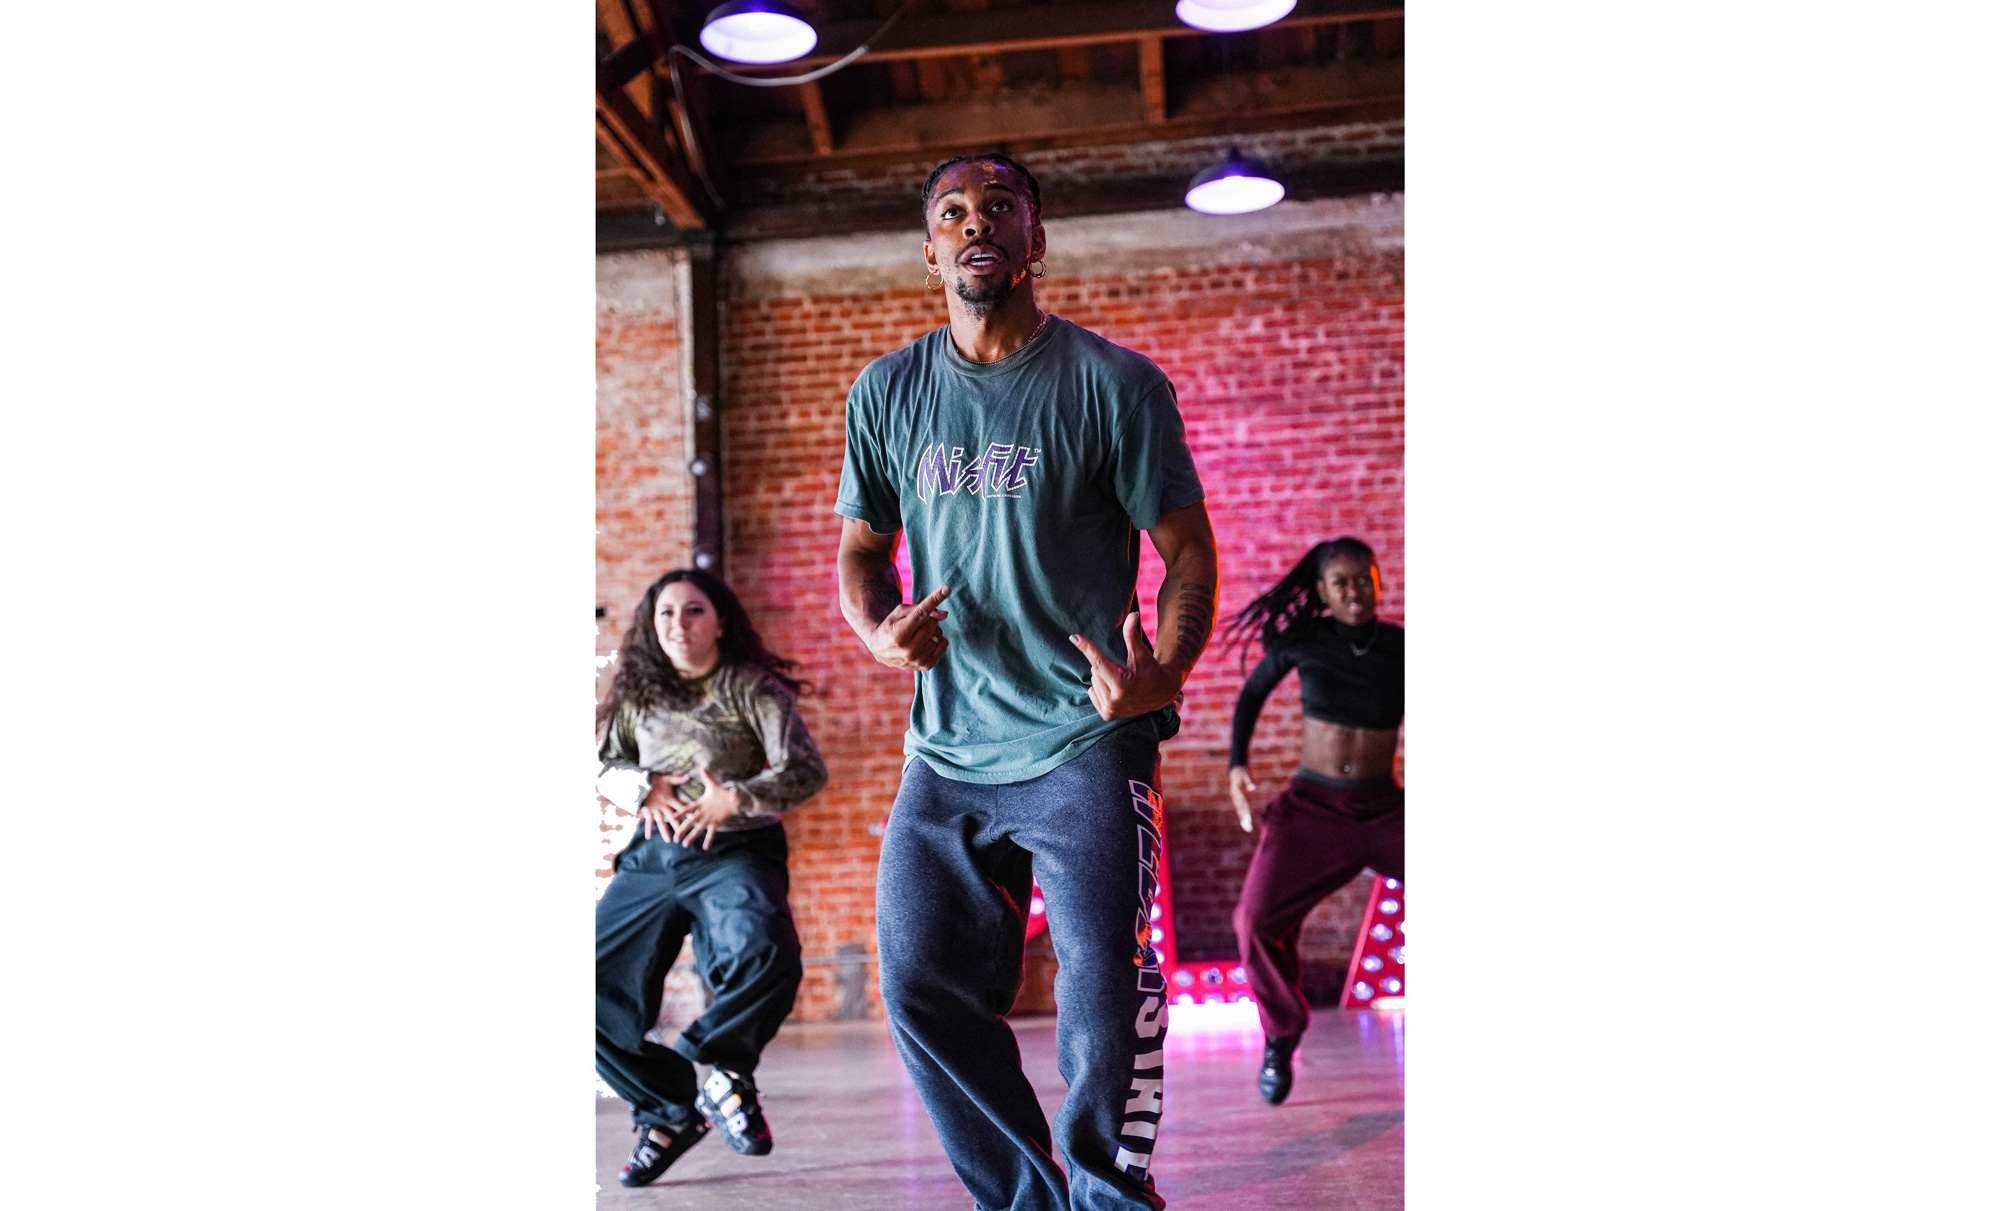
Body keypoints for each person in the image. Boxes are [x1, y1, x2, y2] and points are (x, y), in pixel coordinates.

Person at [835, 152, 1219, 1211]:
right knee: (917, 983)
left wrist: (1162, 677)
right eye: (951, 212)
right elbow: (862, 554)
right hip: (946, 746)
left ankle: (1105, 1190)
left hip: (1084, 736)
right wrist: (875, 634)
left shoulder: (1112, 385)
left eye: (998, 208)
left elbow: (1187, 552)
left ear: (1034, 238)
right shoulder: (888, 390)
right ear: (928, 250)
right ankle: (1024, 1197)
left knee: (1103, 980)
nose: (975, 224)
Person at [593, 568, 828, 1187]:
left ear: (719, 620)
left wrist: (737, 799)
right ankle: (668, 1112)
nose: (678, 624)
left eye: (693, 611)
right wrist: (647, 786)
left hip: (736, 853)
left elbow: (805, 770)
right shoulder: (639, 694)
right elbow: (601, 762)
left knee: (767, 954)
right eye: (666, 614)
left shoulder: (754, 689)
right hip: (652, 859)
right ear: (652, 625)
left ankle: (723, 1064)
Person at [1223, 538, 1404, 1106]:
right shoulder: (1306, 640)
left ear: (1378, 580)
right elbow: (1252, 696)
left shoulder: (1403, 647)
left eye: (1363, 578)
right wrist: (1236, 767)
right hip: (1312, 810)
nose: (1355, 590)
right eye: (1341, 582)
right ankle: (1281, 1033)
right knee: (1253, 922)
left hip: (1384, 808)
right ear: (1323, 592)